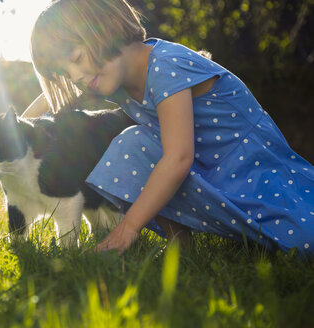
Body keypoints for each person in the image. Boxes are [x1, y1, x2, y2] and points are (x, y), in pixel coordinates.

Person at [23, 0, 314, 256]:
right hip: (211, 172)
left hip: (255, 168)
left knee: (304, 243)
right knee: (131, 146)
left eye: (76, 59)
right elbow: (56, 98)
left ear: (104, 30)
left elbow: (178, 159)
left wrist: (127, 229)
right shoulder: (108, 74)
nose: (76, 76)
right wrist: (16, 130)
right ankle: (180, 247)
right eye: (65, 73)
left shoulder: (164, 65)